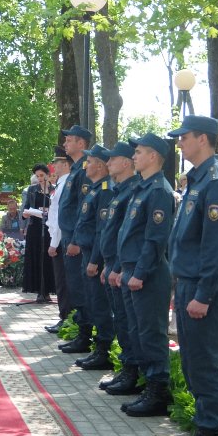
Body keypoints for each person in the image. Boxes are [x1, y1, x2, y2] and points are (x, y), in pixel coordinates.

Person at [164, 115, 218, 436]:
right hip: (189, 283)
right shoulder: (197, 181)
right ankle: (202, 432)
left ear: (203, 139)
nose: (179, 142)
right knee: (193, 364)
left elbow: (216, 247)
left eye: (184, 137)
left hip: (202, 287)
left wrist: (205, 294)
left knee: (206, 365)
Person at [113, 133, 174, 417]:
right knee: (137, 331)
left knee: (151, 333)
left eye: (139, 152)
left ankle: (158, 391)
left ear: (153, 156)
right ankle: (144, 384)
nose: (134, 156)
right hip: (131, 270)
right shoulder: (142, 187)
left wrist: (138, 272)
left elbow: (155, 238)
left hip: (147, 274)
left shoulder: (159, 190)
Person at [98, 141, 140, 395]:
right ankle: (127, 369)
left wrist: (117, 266)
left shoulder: (132, 191)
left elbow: (131, 237)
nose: (108, 163)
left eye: (113, 159)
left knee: (128, 323)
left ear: (126, 163)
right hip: (115, 266)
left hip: (124, 267)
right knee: (122, 322)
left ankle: (133, 373)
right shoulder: (119, 191)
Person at [72, 145, 115, 370]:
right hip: (88, 253)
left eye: (90, 161)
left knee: (100, 305)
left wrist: (95, 260)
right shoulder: (96, 188)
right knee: (91, 301)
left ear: (99, 164)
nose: (86, 165)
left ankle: (104, 350)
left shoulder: (106, 190)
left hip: (95, 257)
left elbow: (102, 229)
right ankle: (98, 347)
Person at [55, 125, 95, 354]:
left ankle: (85, 336)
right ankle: (82, 333)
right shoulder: (76, 169)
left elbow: (84, 210)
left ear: (81, 144)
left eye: (70, 140)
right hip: (70, 237)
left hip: (77, 241)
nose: (66, 143)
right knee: (75, 288)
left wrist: (77, 240)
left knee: (81, 290)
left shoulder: (85, 170)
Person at [44, 154, 72, 332]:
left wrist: (54, 242)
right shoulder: (61, 184)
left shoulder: (65, 184)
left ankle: (66, 317)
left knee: (63, 281)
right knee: (61, 281)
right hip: (59, 239)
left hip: (60, 240)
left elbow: (60, 217)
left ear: (65, 164)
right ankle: (65, 316)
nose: (54, 165)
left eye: (57, 162)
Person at [22, 163, 54, 304]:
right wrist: (27, 213)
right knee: (36, 258)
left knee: (48, 259)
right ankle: (39, 291)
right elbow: (26, 208)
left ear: (48, 175)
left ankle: (48, 290)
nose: (40, 178)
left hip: (50, 229)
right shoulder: (32, 190)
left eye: (42, 175)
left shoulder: (54, 190)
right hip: (35, 228)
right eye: (37, 176)